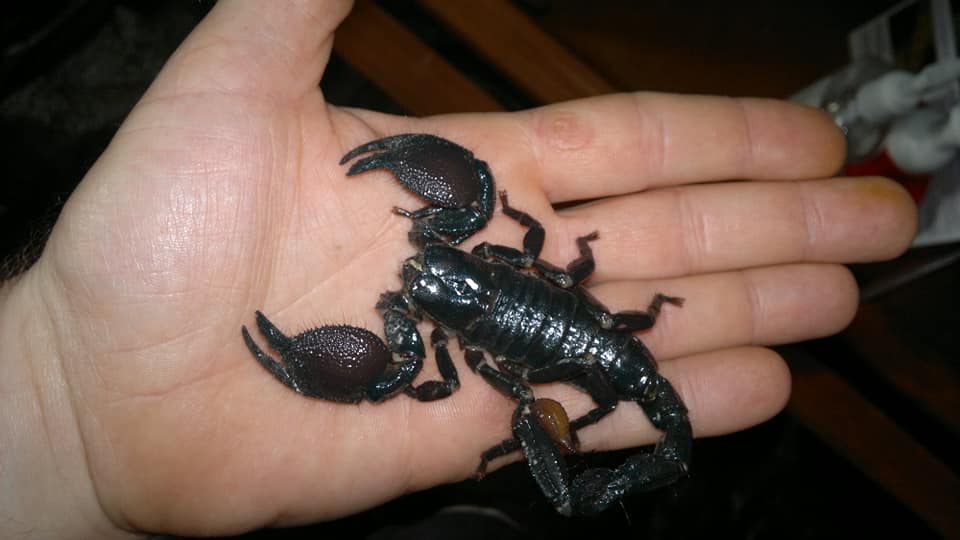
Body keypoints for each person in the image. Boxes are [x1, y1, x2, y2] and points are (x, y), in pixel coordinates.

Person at [0, 1, 917, 538]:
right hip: (571, 333)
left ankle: (618, 452)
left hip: (578, 342)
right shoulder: (475, 243)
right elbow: (498, 247)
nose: (420, 273)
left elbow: (429, 359)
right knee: (539, 353)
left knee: (529, 370)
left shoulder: (468, 308)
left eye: (426, 267)